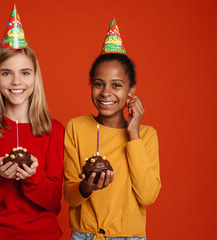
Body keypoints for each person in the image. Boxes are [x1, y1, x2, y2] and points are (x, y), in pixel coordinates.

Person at [0, 5, 64, 240]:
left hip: (42, 235)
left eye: (25, 73)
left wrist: (32, 176)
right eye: (6, 73)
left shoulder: (54, 130)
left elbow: (53, 202)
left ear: (35, 77)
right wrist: (0, 177)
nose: (16, 81)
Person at [63, 17, 161, 240]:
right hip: (84, 235)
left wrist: (133, 135)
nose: (106, 92)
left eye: (116, 85)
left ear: (131, 90)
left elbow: (147, 196)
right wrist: (86, 188)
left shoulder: (146, 135)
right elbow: (70, 197)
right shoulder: (76, 127)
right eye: (99, 83)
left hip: (129, 236)